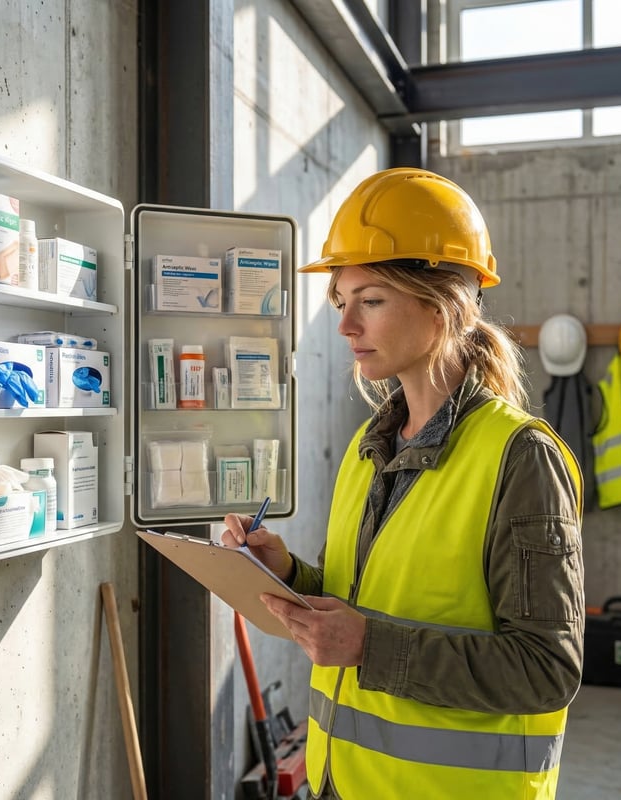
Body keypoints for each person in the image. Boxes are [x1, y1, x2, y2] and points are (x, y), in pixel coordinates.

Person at [222, 167, 585, 799]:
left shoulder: (520, 458)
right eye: (342, 302)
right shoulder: (369, 451)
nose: (346, 326)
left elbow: (545, 669)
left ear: (445, 302)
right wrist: (286, 575)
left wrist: (368, 647)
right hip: (343, 781)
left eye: (372, 300)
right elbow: (361, 602)